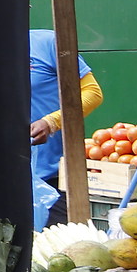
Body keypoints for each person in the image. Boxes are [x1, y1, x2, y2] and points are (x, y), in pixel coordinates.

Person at [26, 29, 101, 225]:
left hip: (55, 178)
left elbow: (92, 93)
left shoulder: (47, 43)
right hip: (0, 177)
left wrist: (51, 122)